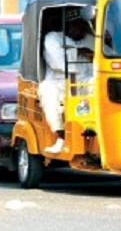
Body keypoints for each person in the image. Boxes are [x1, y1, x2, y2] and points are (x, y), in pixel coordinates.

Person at [38, 12, 94, 154]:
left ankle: (94, 134)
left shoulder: (91, 39)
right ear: (67, 25)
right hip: (60, 83)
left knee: (98, 85)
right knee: (46, 89)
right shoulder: (53, 38)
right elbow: (58, 63)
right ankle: (61, 136)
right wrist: (79, 51)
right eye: (75, 24)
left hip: (84, 82)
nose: (79, 28)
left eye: (81, 24)